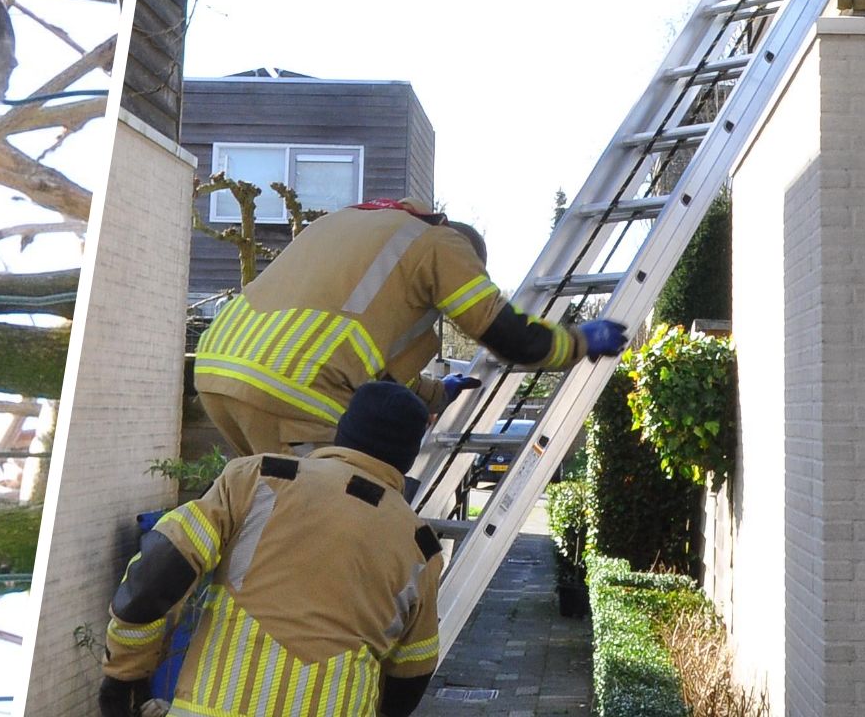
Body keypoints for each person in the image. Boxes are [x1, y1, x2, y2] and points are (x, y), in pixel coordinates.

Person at [99, 382, 447, 717]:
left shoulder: (257, 477)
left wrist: (124, 672)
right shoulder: (419, 545)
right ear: (409, 456)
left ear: (343, 430)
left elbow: (160, 569)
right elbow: (410, 679)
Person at [193, 197, 628, 456]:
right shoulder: (444, 247)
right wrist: (576, 342)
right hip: (294, 392)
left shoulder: (352, 226)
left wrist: (438, 392)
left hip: (218, 371)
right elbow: (506, 334)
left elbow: (364, 359)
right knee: (318, 525)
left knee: (265, 508)